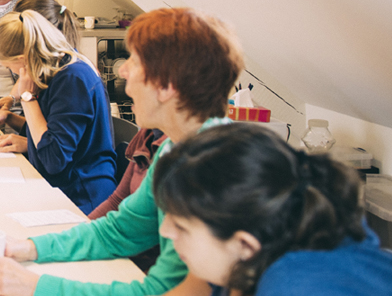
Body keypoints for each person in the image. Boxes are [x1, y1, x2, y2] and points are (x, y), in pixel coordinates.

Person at [0, 7, 245, 296]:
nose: (123, 70)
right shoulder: (172, 149)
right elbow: (118, 231)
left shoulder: (209, 169)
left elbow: (158, 291)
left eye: (135, 61)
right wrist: (27, 247)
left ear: (166, 86)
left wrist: (36, 287)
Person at [154, 123, 392, 296]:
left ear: (245, 244)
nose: (166, 231)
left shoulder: (300, 287)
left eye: (181, 226)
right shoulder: (265, 242)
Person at [0, 9, 116, 214]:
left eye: (9, 66)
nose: (12, 72)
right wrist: (10, 118)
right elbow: (51, 129)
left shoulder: (72, 80)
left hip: (82, 195)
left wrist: (27, 97)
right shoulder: (58, 68)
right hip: (66, 185)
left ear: (23, 60)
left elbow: (53, 158)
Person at [87, 128, 166, 273]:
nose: (132, 104)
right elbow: (117, 201)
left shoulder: (175, 152)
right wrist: (81, 231)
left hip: (143, 263)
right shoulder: (148, 135)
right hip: (131, 255)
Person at [0, 0, 81, 111]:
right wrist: (11, 102)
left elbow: (48, 130)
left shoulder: (69, 78)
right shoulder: (54, 67)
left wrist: (28, 97)